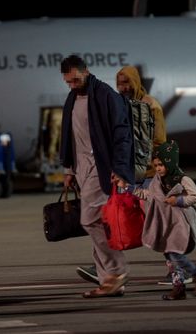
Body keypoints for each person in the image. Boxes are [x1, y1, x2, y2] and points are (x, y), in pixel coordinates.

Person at [76, 65, 176, 286]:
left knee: (156, 223)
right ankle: (105, 266)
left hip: (147, 176)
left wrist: (157, 170)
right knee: (111, 218)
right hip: (126, 174)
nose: (123, 88)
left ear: (137, 82)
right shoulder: (119, 104)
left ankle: (179, 268)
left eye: (127, 83)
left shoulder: (150, 105)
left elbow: (159, 141)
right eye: (120, 83)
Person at [59, 55, 135, 298]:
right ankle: (109, 282)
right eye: (67, 82)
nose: (72, 85)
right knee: (98, 224)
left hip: (101, 169)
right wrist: (69, 170)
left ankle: (116, 271)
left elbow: (122, 134)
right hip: (82, 169)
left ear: (87, 71)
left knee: (90, 220)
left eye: (75, 80)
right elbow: (71, 137)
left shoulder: (105, 95)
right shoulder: (73, 98)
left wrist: (120, 169)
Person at [133, 140, 196, 300]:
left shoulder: (182, 179)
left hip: (180, 224)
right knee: (169, 257)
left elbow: (195, 196)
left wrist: (178, 201)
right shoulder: (157, 180)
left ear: (170, 161)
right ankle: (179, 287)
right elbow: (150, 196)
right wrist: (128, 188)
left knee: (175, 254)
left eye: (161, 164)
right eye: (156, 165)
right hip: (166, 223)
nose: (158, 168)